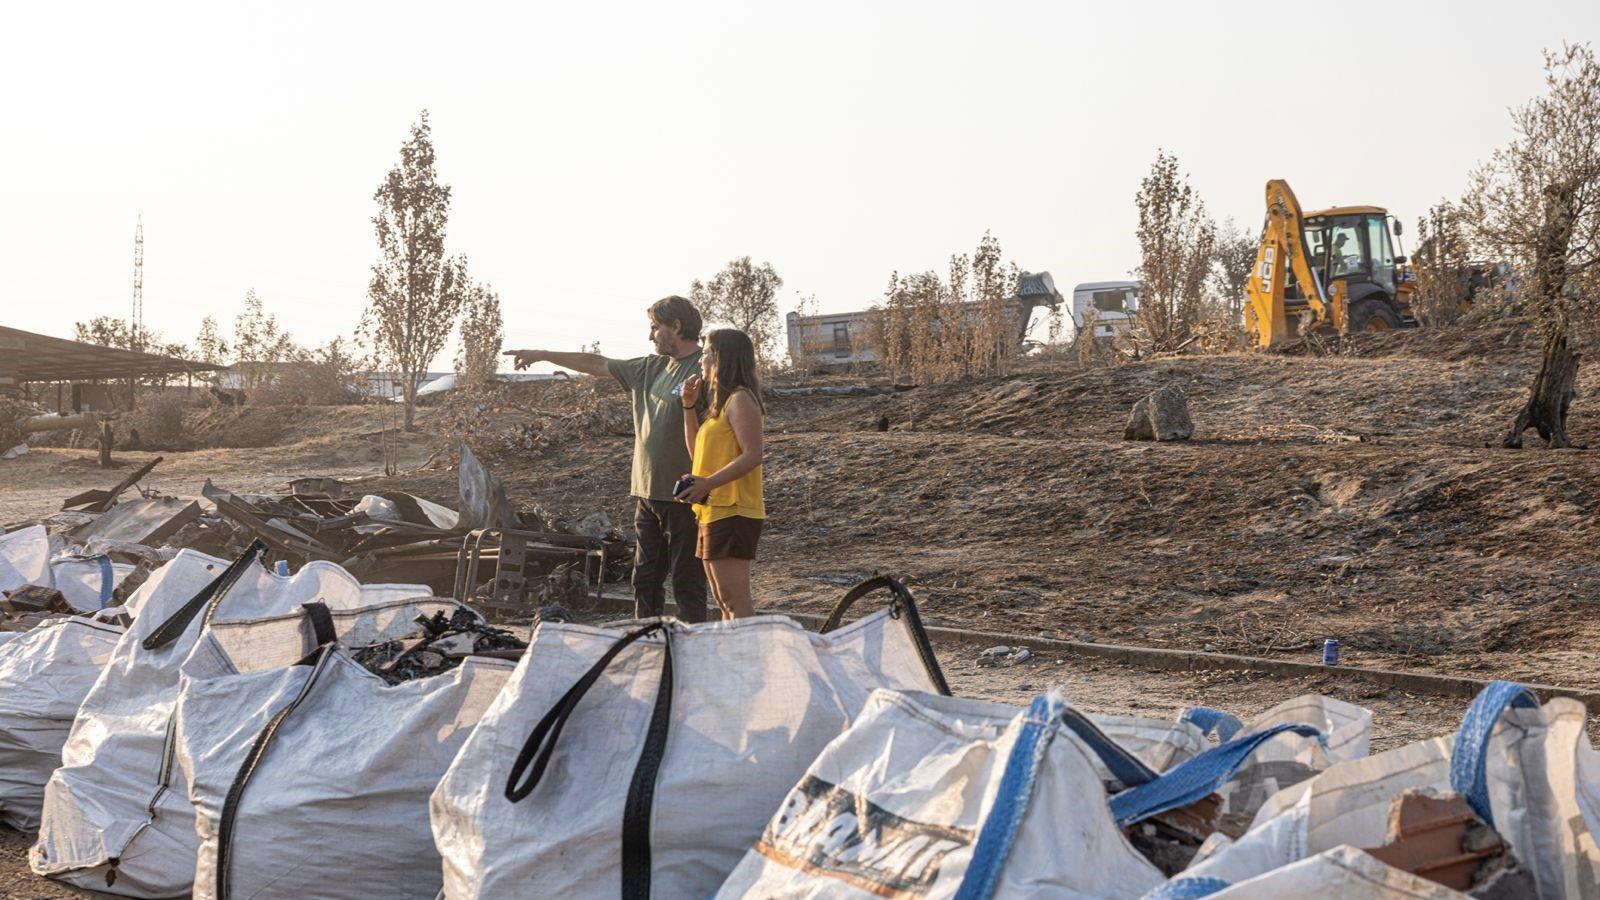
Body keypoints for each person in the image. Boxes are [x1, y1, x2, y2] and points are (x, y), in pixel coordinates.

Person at [505, 295, 709, 622]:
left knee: (687, 582)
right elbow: (597, 364)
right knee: (644, 579)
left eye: (655, 328)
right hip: (646, 492)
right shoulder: (649, 368)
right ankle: (648, 641)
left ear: (677, 327)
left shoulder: (705, 367)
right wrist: (543, 355)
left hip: (687, 493)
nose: (650, 336)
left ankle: (696, 649)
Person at [675, 329, 765, 619]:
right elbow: (696, 456)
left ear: (720, 357)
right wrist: (688, 407)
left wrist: (708, 484)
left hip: (734, 509)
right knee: (723, 600)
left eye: (705, 352)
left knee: (736, 600)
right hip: (712, 510)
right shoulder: (720, 406)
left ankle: (749, 662)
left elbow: (753, 454)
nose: (701, 358)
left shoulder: (741, 400)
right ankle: (733, 660)